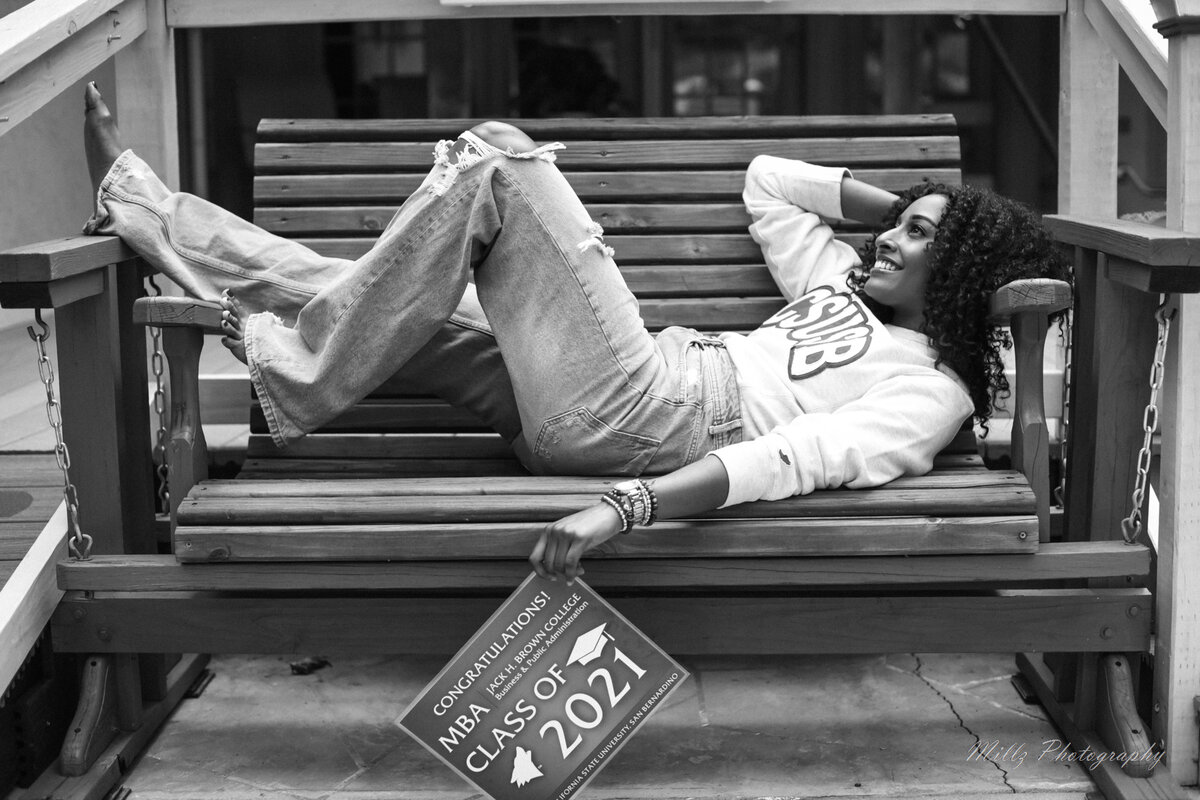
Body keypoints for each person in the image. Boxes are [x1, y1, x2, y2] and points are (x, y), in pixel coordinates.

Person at [81, 83, 1068, 585]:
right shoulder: (839, 282)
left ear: (967, 275)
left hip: (657, 419)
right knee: (343, 284)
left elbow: (794, 457)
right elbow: (768, 180)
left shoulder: (932, 391)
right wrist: (931, 208)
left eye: (919, 238)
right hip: (604, 393)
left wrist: (625, 509)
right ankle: (147, 211)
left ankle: (292, 363)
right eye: (895, 223)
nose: (886, 236)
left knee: (502, 162)